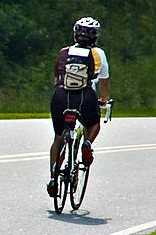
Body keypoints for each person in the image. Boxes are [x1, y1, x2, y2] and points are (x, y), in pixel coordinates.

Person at [47, 17, 110, 197]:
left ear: (75, 35)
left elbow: (56, 79)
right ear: (95, 38)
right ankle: (87, 145)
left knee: (58, 137)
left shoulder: (63, 52)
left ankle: (53, 178)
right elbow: (103, 83)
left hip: (60, 96)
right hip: (85, 96)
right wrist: (104, 102)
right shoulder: (99, 54)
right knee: (93, 124)